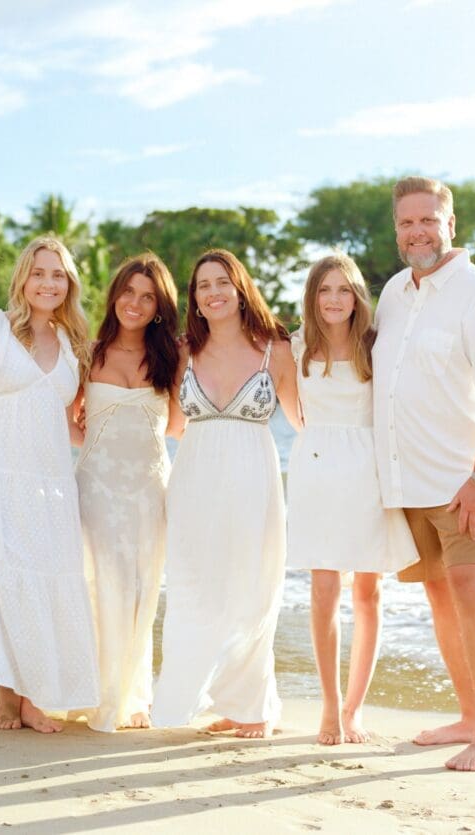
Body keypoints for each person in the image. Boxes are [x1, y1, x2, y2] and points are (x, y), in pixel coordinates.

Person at [373, 176, 475, 770]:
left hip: (468, 478)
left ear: (450, 224)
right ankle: (468, 716)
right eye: (406, 222)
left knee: (472, 587)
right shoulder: (393, 293)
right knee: (439, 594)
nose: (417, 232)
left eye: (428, 220)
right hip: (410, 480)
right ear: (396, 230)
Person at [0, 235, 100, 733]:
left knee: (38, 586)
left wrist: (126, 436)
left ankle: (22, 698)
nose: (48, 283)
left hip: (51, 487)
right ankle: (18, 696)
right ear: (22, 278)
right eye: (39, 273)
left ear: (69, 284)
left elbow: (67, 425)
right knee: (6, 583)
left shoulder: (73, 346)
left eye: (58, 275)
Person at [150, 248, 300, 739]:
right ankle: (203, 701)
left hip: (254, 483)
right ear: (194, 299)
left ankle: (253, 707)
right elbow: (172, 425)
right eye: (203, 286)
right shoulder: (183, 353)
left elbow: (304, 422)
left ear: (240, 290)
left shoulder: (275, 351)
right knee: (193, 589)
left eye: (222, 283)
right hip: (193, 483)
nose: (213, 293)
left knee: (253, 591)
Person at [287, 253, 419, 746]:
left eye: (344, 289)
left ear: (358, 296)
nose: (334, 299)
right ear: (312, 296)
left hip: (369, 471)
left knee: (368, 592)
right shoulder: (296, 346)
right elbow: (291, 411)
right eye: (325, 289)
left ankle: (354, 709)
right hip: (317, 471)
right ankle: (329, 706)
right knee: (324, 589)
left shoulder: (376, 345)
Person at [74, 253, 182, 732]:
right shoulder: (88, 353)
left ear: (159, 307)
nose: (135, 303)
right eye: (128, 292)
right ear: (115, 295)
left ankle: (133, 694)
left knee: (142, 589)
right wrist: (96, 442)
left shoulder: (171, 357)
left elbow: (178, 425)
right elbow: (67, 419)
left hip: (148, 489)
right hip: (96, 486)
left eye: (148, 297)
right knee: (98, 586)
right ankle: (93, 692)